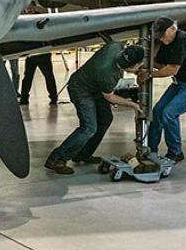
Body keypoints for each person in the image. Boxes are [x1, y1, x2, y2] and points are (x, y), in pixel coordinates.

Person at [44, 43, 145, 174]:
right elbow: (109, 97)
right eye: (139, 65)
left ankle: (83, 154)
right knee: (89, 128)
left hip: (95, 86)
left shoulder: (116, 46)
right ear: (131, 67)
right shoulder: (108, 74)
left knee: (105, 119)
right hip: (81, 90)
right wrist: (133, 105)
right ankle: (57, 158)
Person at [138, 17, 186, 163]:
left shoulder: (182, 39)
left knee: (169, 113)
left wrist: (149, 74)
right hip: (180, 83)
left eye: (163, 36)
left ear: (172, 29)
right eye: (159, 38)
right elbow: (161, 65)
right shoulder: (167, 41)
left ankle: (176, 152)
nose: (163, 40)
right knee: (157, 111)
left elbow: (172, 69)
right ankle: (151, 150)